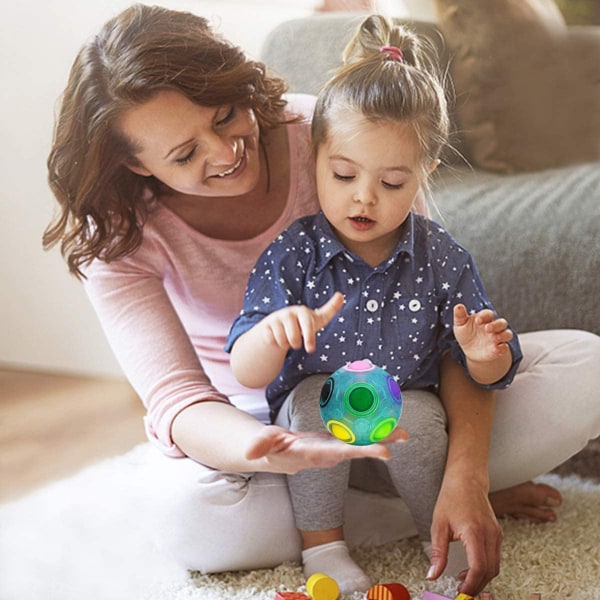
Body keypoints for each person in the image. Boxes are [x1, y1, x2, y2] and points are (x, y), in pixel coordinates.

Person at [42, 4, 600, 598]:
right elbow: (181, 401)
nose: (226, 152)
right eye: (184, 155)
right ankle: (373, 514)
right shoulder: (117, 238)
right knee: (197, 521)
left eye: (227, 115)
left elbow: (443, 329)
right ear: (135, 163)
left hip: (408, 397)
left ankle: (423, 495)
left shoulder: (336, 134)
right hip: (260, 417)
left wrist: (467, 472)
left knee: (585, 366)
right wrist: (267, 450)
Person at [225, 15, 523, 595]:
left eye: (391, 183)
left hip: (405, 414)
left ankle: (434, 532)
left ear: (424, 175)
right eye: (343, 174)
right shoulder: (294, 252)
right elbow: (245, 368)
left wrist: (484, 354)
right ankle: (325, 546)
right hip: (316, 424)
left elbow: (486, 375)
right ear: (315, 159)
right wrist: (275, 332)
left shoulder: (440, 255)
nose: (363, 196)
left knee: (424, 421)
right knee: (311, 406)